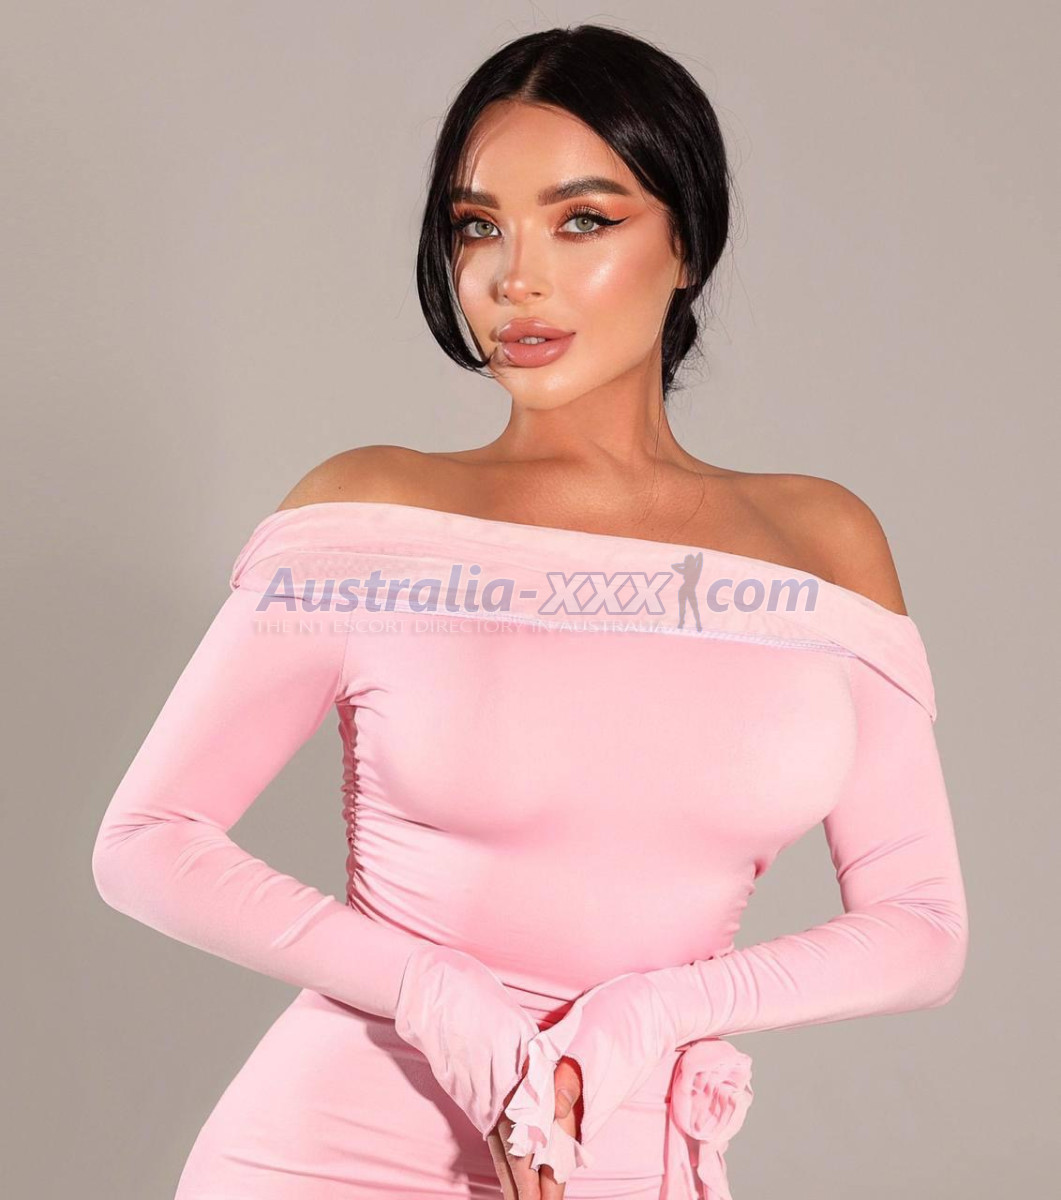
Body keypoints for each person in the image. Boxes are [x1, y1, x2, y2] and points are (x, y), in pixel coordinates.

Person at [91, 23, 968, 1200]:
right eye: (476, 225)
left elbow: (920, 925)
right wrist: (435, 996)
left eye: (582, 221)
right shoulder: (375, 516)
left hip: (628, 1153)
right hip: (332, 1154)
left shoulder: (820, 543)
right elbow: (147, 840)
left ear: (686, 243)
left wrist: (648, 1017)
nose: (515, 278)